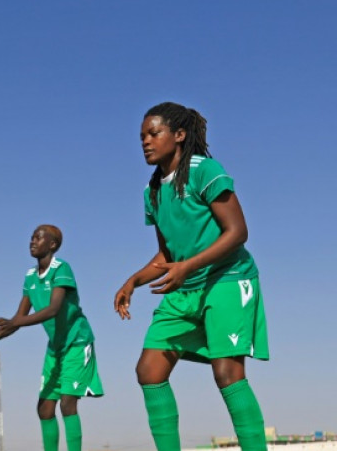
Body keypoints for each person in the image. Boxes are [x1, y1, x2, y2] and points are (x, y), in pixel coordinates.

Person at [114, 102, 269, 451]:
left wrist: (187, 267)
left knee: (227, 373)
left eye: (154, 133)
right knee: (149, 371)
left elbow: (237, 232)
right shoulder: (152, 191)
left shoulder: (204, 170)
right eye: (142, 137)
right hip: (186, 287)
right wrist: (133, 281)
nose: (146, 142)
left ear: (179, 135)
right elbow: (168, 255)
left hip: (228, 279)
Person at [0, 225, 103, 451]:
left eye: (38, 238)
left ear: (52, 244)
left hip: (77, 342)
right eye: (31, 237)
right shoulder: (30, 276)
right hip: (56, 348)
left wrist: (14, 322)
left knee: (68, 403)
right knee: (44, 409)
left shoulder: (61, 268)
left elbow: (53, 309)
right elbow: (18, 319)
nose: (32, 241)